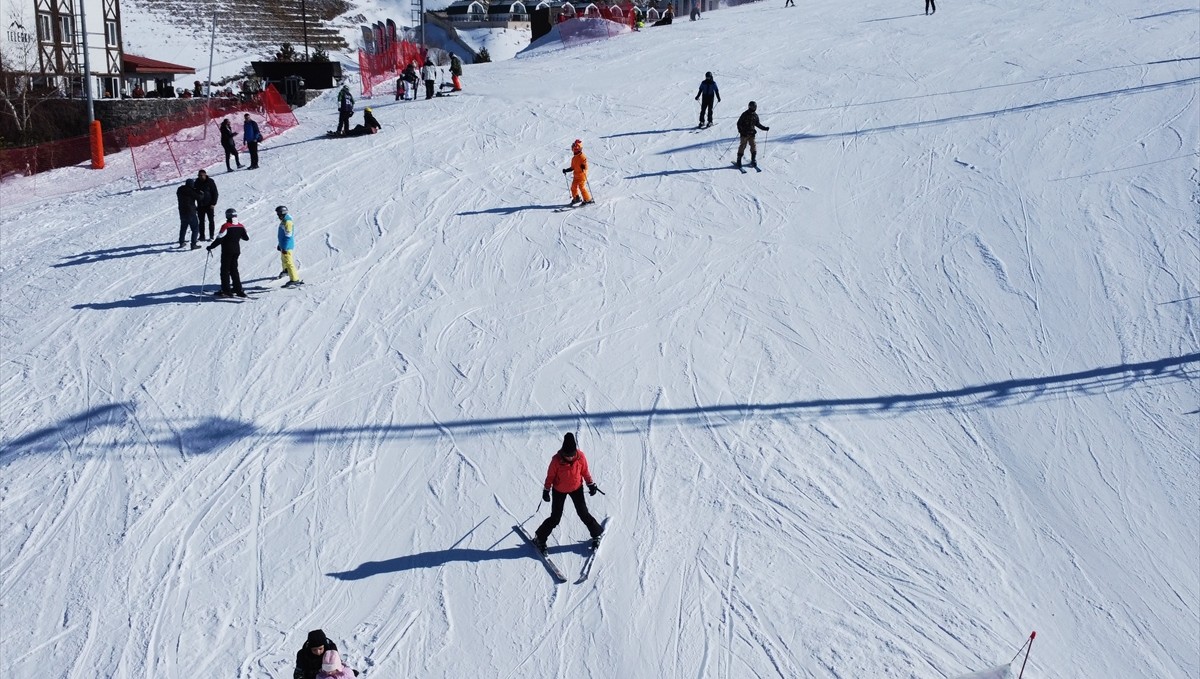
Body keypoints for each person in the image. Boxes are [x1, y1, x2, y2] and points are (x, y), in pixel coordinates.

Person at [533, 433, 605, 551]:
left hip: (576, 489)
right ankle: (539, 538)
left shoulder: (580, 457)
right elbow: (550, 476)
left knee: (583, 513)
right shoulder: (556, 460)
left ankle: (597, 533)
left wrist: (591, 484)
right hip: (559, 490)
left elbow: (585, 472)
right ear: (563, 452)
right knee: (555, 518)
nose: (570, 458)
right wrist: (546, 490)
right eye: (567, 455)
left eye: (572, 455)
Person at [206, 208, 249, 298]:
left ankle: (226, 290)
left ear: (227, 216)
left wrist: (210, 247)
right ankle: (238, 289)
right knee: (234, 270)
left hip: (227, 251)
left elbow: (219, 239)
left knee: (225, 270)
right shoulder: (240, 226)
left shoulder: (226, 226)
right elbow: (246, 237)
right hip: (236, 251)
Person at [734, 101, 769, 169]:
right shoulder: (745, 114)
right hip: (744, 134)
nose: (754, 108)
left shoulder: (755, 115)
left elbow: (757, 124)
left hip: (752, 134)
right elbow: (739, 123)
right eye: (753, 107)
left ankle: (753, 160)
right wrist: (740, 131)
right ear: (749, 107)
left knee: (753, 145)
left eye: (755, 107)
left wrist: (764, 128)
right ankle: (739, 160)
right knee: (742, 146)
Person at [276, 205, 304, 288]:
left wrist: (284, 247)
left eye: (278, 213)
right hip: (283, 244)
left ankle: (294, 279)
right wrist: (280, 245)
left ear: (282, 213)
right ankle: (286, 271)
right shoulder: (284, 220)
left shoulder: (288, 222)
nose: (278, 215)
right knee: (283, 259)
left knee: (289, 262)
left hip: (287, 246)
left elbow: (288, 236)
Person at [561, 138, 593, 206]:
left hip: (582, 175)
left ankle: (587, 199)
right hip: (576, 176)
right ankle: (576, 198)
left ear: (579, 149)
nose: (574, 150)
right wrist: (566, 170)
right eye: (573, 149)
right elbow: (572, 167)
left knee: (582, 187)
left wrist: (583, 167)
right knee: (573, 187)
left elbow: (585, 165)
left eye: (575, 149)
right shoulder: (574, 158)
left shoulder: (582, 156)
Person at [176, 178, 203, 249]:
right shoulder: (190, 191)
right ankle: (193, 244)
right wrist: (201, 192)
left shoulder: (180, 190)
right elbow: (199, 197)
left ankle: (181, 242)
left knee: (183, 227)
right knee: (195, 228)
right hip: (190, 212)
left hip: (182, 212)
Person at [195, 169, 219, 240]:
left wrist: (213, 203)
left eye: (202, 175)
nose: (201, 177)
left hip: (209, 205)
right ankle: (202, 236)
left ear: (205, 175)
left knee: (211, 220)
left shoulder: (210, 182)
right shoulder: (196, 182)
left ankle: (211, 235)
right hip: (200, 205)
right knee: (201, 221)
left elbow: (215, 193)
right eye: (199, 175)